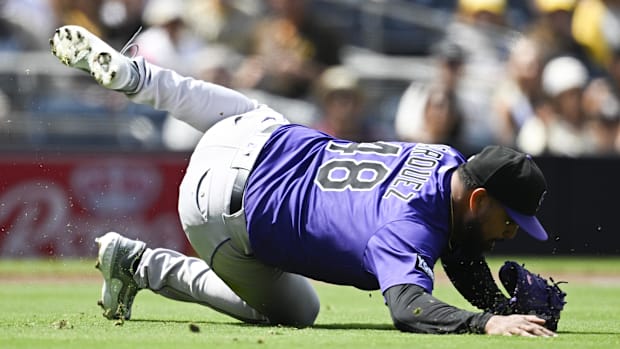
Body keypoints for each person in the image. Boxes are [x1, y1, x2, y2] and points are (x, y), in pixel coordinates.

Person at [50, 25, 557, 336]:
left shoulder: (445, 157)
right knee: (298, 312)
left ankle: (140, 78)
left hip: (256, 134)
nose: (511, 231)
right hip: (221, 208)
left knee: (258, 112)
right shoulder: (411, 225)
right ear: (479, 197)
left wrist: (502, 305)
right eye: (509, 219)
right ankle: (142, 263)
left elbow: (459, 245)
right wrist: (486, 321)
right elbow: (407, 308)